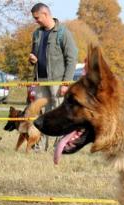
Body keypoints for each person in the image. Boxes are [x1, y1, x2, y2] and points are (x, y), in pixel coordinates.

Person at [29, 3, 78, 150]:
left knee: (58, 114)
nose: (35, 21)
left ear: (45, 14)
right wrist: (32, 59)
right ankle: (39, 146)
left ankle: (60, 146)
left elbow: (72, 58)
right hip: (40, 81)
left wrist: (66, 83)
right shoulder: (36, 34)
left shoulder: (63, 32)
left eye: (37, 17)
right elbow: (34, 54)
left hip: (57, 81)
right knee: (40, 114)